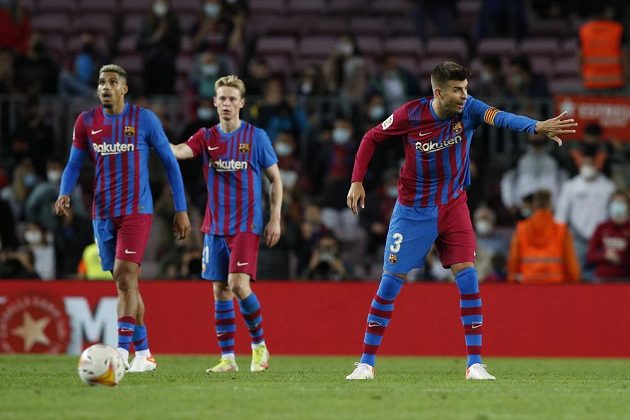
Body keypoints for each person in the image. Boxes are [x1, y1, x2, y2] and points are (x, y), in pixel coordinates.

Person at [345, 61, 577, 381]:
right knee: (390, 283)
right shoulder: (410, 114)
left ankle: (475, 364)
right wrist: (357, 180)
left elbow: (501, 117)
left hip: (454, 206)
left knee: (468, 279)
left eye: (466, 88)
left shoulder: (469, 109)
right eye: (457, 90)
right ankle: (365, 363)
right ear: (438, 92)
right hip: (414, 211)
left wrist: (536, 126)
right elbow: (371, 137)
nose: (464, 95)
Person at [54, 64, 191, 372]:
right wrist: (64, 192)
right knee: (125, 284)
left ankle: (120, 352)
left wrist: (181, 209)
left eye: (112, 82)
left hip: (136, 212)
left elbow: (171, 164)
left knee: (125, 276)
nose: (105, 86)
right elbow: (74, 163)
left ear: (124, 89)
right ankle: (144, 353)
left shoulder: (144, 120)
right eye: (102, 82)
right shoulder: (86, 122)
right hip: (102, 214)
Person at [170, 75, 282, 373]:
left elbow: (275, 180)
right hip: (214, 227)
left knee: (237, 284)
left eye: (233, 99)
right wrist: (158, 143)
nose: (228, 103)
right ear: (215, 102)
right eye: (223, 98)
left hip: (246, 225)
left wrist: (275, 218)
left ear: (242, 103)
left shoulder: (256, 137)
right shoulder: (207, 136)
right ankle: (228, 358)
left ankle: (259, 346)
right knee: (220, 290)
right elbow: (182, 150)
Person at [507, 190, 580, 284]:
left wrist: (512, 277)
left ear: (534, 205)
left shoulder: (521, 229)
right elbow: (571, 260)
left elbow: (514, 257)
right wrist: (574, 278)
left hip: (528, 279)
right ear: (550, 205)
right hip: (556, 281)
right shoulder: (561, 230)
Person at [586, 190, 630, 282]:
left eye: (621, 202)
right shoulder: (601, 227)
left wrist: (621, 259)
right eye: (615, 202)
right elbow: (590, 255)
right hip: (602, 278)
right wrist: (604, 255)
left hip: (624, 278)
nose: (618, 206)